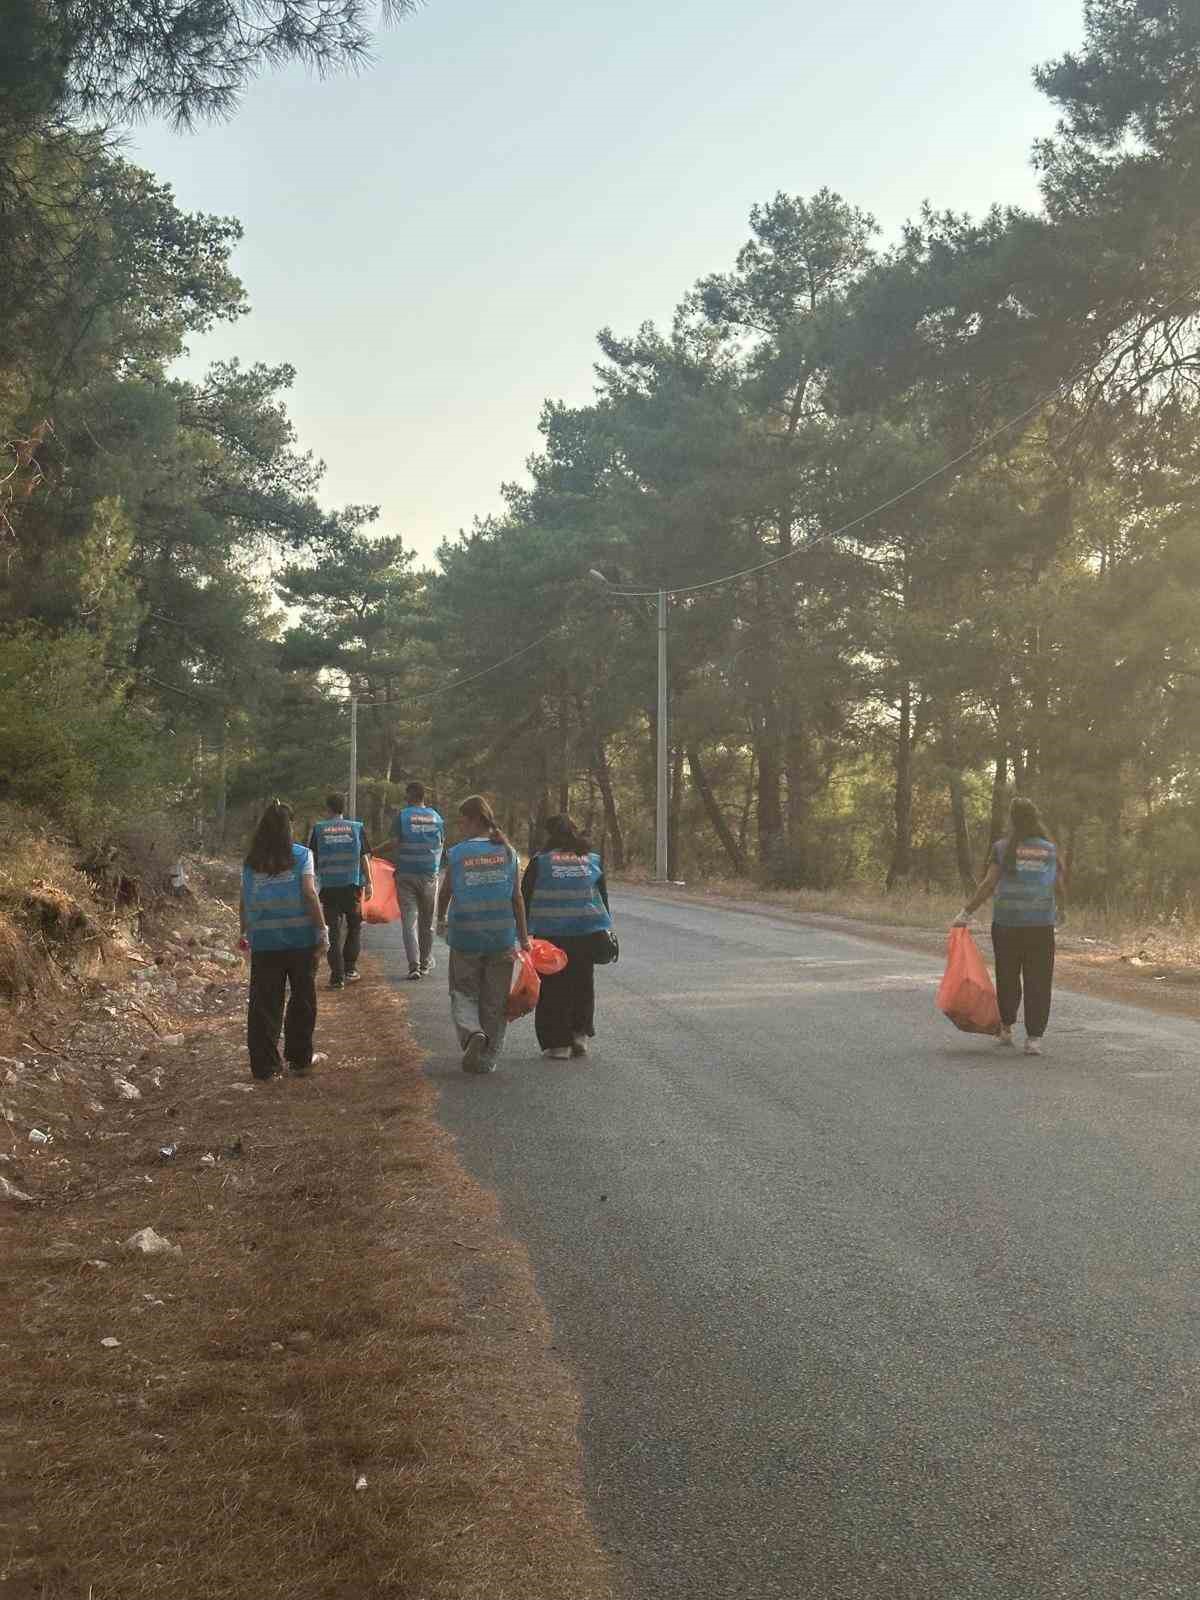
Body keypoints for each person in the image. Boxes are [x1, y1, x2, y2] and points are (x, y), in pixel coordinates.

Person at [952, 796, 1067, 1056]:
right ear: (1036, 819)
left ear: (1012, 820)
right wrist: (1061, 911)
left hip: (1007, 923)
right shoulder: (1049, 850)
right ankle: (1034, 1039)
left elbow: (988, 884)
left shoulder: (1002, 848)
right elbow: (1058, 885)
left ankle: (1006, 1027)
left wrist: (966, 912)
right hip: (1040, 925)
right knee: (1039, 980)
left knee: (1007, 975)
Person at [435, 795, 531, 1074]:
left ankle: (472, 1032)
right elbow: (517, 898)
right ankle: (487, 1059)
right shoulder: (508, 852)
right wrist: (524, 937)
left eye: (462, 821)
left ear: (475, 819)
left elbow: (446, 891)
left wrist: (440, 920)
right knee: (495, 1000)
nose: (460, 826)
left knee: (463, 991)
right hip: (501, 937)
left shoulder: (458, 853)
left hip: (465, 936)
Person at [239, 800, 329, 1080]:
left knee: (264, 1004)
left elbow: (244, 898)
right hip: (301, 939)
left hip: (265, 940)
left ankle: (265, 1067)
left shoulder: (252, 861)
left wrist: (243, 932)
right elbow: (309, 894)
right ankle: (300, 1059)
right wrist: (322, 931)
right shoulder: (302, 855)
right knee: (303, 998)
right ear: (289, 826)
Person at [522, 814, 612, 1061]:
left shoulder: (541, 862)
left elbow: (525, 896)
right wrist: (605, 928)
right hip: (587, 931)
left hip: (551, 935)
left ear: (550, 835)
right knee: (582, 984)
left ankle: (558, 1044)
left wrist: (522, 933)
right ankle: (579, 1035)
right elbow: (602, 897)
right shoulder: (592, 859)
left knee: (553, 988)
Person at [307, 793, 373, 991]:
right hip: (352, 885)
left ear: (328, 808)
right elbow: (364, 858)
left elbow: (312, 858)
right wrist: (369, 882)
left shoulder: (319, 829)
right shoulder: (356, 828)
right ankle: (350, 969)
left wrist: (313, 883)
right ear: (343, 808)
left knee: (333, 931)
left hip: (328, 887)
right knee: (354, 926)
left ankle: (337, 978)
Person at [384, 781, 445, 981]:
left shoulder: (402, 816)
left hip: (406, 875)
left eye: (406, 794)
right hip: (429, 875)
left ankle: (414, 966)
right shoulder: (436, 817)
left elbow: (394, 843)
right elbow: (441, 843)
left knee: (409, 922)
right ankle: (425, 963)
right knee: (427, 922)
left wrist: (374, 851)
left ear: (411, 795)